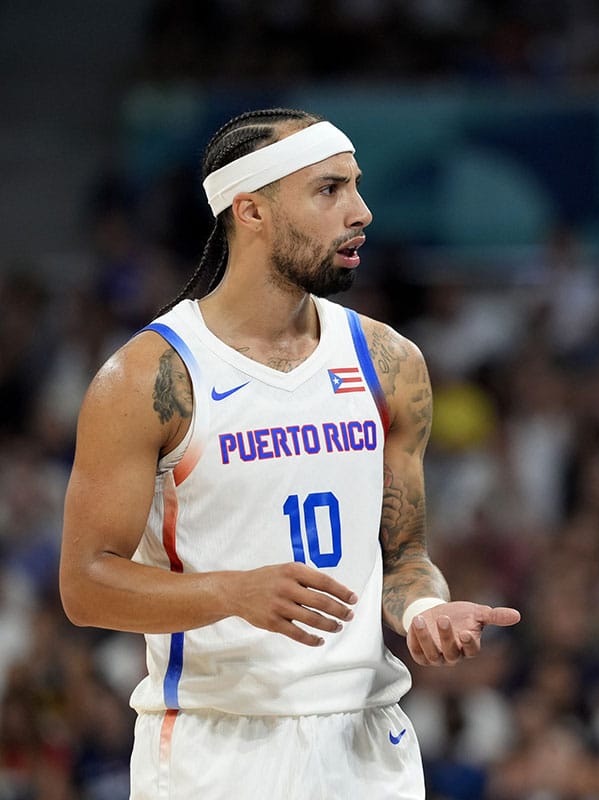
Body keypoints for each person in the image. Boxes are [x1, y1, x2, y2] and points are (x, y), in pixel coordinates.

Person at [59, 108, 520, 799]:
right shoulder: (152, 378)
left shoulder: (390, 362)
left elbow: (404, 558)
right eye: (329, 190)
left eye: (357, 186)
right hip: (217, 747)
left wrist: (425, 611)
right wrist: (232, 592)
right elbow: (85, 586)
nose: (361, 211)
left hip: (368, 744)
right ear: (251, 210)